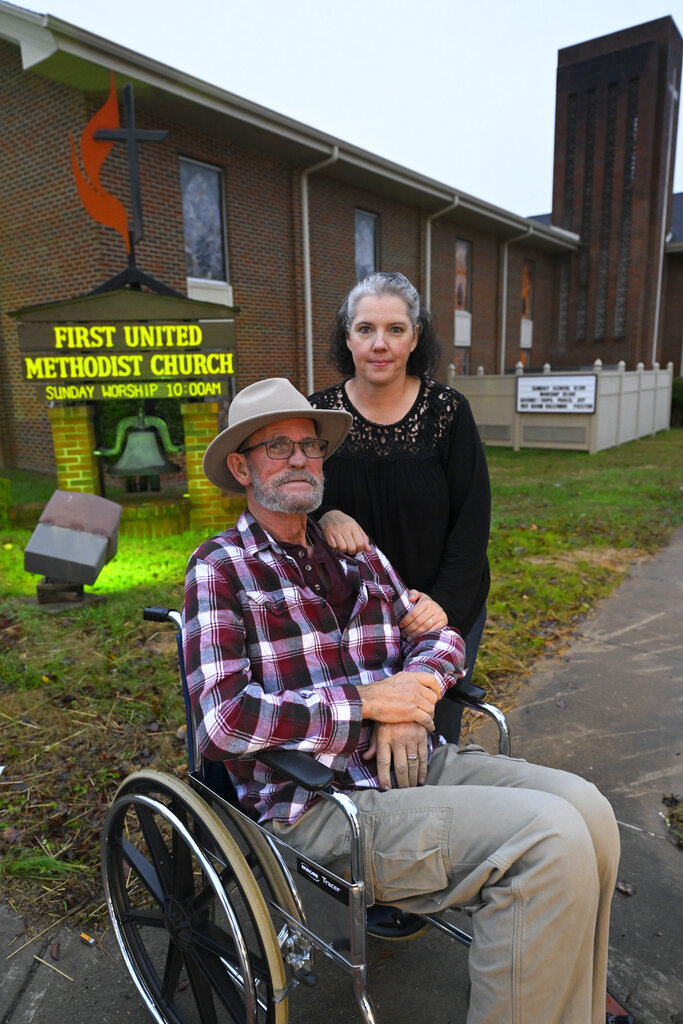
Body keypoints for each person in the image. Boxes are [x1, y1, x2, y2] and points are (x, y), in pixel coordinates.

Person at [183, 377, 620, 1024]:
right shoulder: (220, 569)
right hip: (323, 802)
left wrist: (410, 703)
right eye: (277, 446)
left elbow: (441, 639)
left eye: (309, 446)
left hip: (415, 762)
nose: (300, 458)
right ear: (242, 467)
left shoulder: (356, 554)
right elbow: (221, 724)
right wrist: (366, 703)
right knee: (545, 842)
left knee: (590, 812)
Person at [309, 272, 490, 725]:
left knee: (431, 736)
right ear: (347, 338)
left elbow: (472, 521)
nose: (379, 344)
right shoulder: (317, 416)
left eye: (395, 329)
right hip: (344, 621)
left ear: (415, 338)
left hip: (436, 611)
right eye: (365, 329)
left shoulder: (448, 411)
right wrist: (324, 513)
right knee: (360, 746)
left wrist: (444, 603)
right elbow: (289, 500)